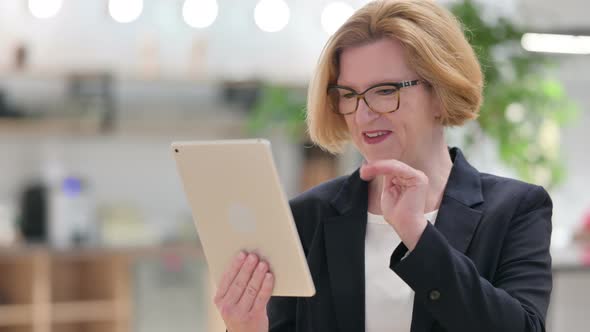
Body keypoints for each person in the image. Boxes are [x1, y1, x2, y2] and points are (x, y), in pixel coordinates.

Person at [213, 0, 553, 331]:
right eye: (349, 94)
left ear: (440, 91)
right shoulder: (307, 218)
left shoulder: (515, 210)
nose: (362, 114)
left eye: (385, 90)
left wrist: (417, 235)